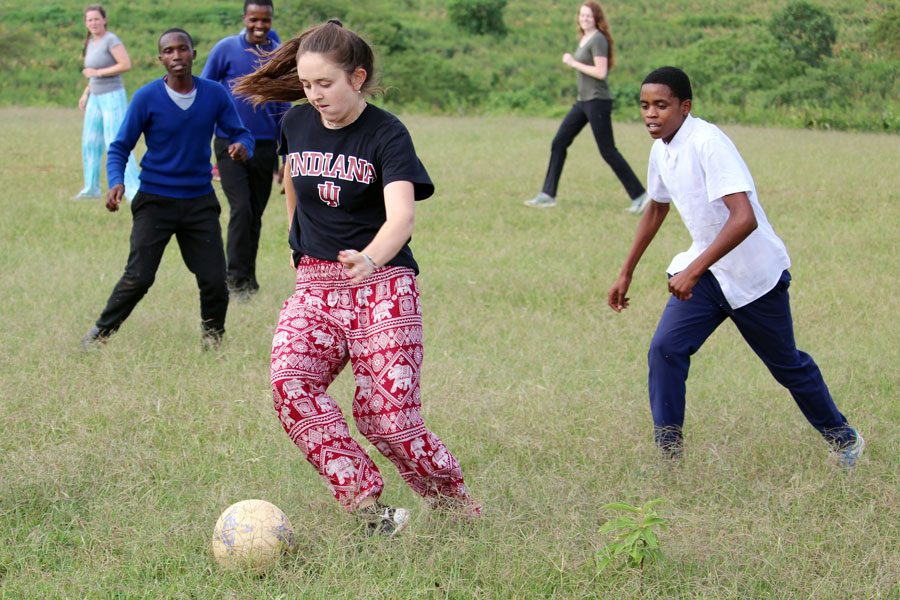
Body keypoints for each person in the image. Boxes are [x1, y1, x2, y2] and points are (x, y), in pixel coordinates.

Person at [233, 19, 478, 535]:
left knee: (386, 417)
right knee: (290, 381)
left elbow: (402, 218)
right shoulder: (295, 124)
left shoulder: (387, 133)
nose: (315, 95)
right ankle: (370, 509)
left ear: (358, 78)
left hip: (383, 284)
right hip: (316, 285)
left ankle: (456, 507)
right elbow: (293, 184)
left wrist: (369, 259)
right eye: (306, 85)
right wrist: (297, 246)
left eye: (326, 84)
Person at [606, 66, 865, 466]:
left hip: (752, 275)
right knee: (666, 350)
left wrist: (692, 271)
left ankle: (845, 439)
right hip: (709, 273)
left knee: (787, 366)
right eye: (644, 106)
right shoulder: (661, 150)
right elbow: (657, 207)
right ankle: (669, 455)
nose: (651, 115)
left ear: (685, 106)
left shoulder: (709, 143)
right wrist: (627, 271)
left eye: (661, 105)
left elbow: (744, 218)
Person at [81, 28, 254, 350]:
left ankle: (213, 340)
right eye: (169, 51)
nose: (177, 56)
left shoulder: (214, 94)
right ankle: (99, 335)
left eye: (183, 49)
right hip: (155, 200)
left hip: (199, 201)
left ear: (193, 54)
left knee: (215, 280)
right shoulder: (147, 97)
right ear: (160, 58)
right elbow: (120, 146)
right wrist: (116, 180)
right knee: (139, 277)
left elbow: (242, 133)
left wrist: (243, 147)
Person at [201, 0, 291, 299]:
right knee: (241, 209)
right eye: (254, 19)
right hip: (231, 143)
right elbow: (204, 90)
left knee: (254, 214)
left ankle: (248, 280)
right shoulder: (225, 49)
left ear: (271, 20)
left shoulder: (279, 53)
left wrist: (285, 156)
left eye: (265, 20)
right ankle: (235, 280)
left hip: (265, 146)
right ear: (244, 18)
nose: (259, 25)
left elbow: (283, 104)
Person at [525, 1, 648, 213]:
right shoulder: (584, 39)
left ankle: (640, 195)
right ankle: (547, 194)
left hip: (597, 101)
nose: (584, 19)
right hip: (583, 102)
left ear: (596, 18)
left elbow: (601, 73)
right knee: (559, 142)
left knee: (607, 150)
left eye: (588, 16)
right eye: (582, 15)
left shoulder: (598, 39)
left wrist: (573, 63)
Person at [75, 4, 141, 201]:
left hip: (112, 95)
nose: (93, 23)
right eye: (89, 20)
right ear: (85, 23)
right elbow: (91, 72)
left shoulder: (111, 39)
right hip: (95, 96)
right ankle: (91, 188)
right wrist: (86, 92)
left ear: (104, 20)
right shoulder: (91, 43)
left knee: (116, 141)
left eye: (96, 19)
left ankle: (131, 188)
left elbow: (125, 64)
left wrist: (98, 73)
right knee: (90, 142)